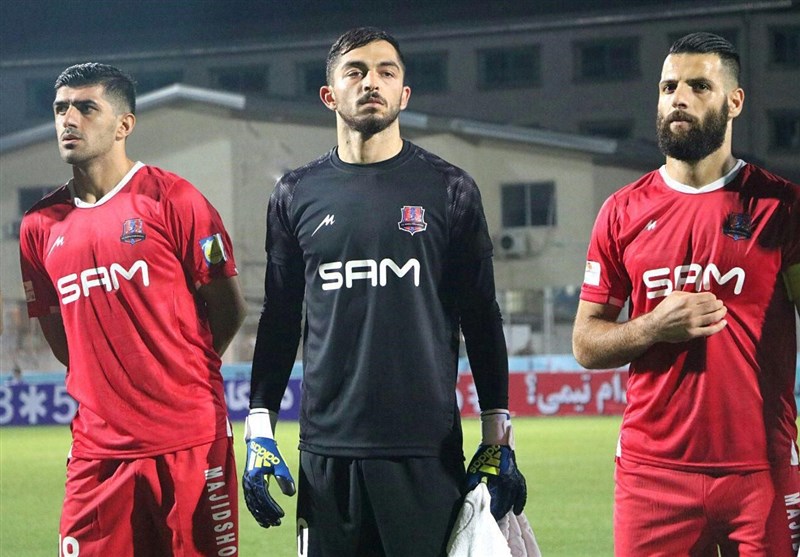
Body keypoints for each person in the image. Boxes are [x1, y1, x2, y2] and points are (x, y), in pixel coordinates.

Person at [243, 27, 527, 557]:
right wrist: (260, 424)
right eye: (355, 71)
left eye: (385, 72)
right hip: (326, 455)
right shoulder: (294, 194)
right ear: (330, 94)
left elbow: (482, 317)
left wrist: (496, 435)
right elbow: (280, 319)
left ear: (404, 95)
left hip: (424, 454)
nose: (371, 82)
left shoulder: (450, 190)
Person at [572, 32, 800, 556]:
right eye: (668, 86)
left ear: (734, 101)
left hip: (761, 472)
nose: (679, 98)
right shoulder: (621, 212)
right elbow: (585, 344)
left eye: (699, 86)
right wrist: (654, 325)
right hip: (652, 477)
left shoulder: (781, 207)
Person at [18, 63, 247, 556]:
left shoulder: (174, 200)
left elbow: (228, 309)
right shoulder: (39, 226)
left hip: (189, 442)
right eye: (60, 109)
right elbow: (62, 340)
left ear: (124, 125)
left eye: (85, 107)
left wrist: (179, 370)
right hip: (97, 454)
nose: (68, 120)